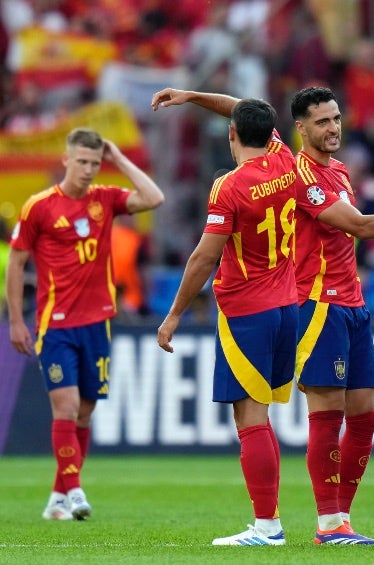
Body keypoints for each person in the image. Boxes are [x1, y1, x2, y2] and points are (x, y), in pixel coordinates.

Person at [152, 85, 374, 545]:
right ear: (299, 128)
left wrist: (191, 95)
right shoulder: (296, 171)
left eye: (336, 118)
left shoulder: (316, 165)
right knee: (325, 414)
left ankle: (337, 520)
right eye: (322, 122)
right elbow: (358, 225)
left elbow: (246, 113)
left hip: (349, 303)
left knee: (364, 413)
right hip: (316, 303)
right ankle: (328, 522)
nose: (333, 128)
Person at [154, 95, 297, 546]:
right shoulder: (285, 160)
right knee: (262, 417)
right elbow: (249, 110)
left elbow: (204, 257)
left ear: (231, 134)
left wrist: (174, 314)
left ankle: (267, 527)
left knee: (250, 419)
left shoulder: (229, 186)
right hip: (287, 307)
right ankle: (269, 522)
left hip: (247, 312)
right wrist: (194, 96)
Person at [5, 127, 165, 521]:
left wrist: (119, 158)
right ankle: (75, 491)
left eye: (95, 163)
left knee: (84, 413)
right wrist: (15, 320)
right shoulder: (39, 207)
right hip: (55, 324)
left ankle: (57, 499)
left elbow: (154, 198)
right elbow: (16, 263)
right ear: (66, 160)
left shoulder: (104, 200)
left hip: (97, 323)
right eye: (82, 161)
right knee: (67, 405)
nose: (89, 169)